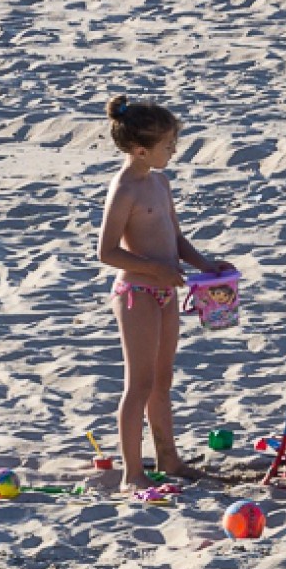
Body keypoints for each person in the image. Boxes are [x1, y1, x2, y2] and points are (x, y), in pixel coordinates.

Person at [94, 96, 234, 491]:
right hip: (136, 293)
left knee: (162, 380)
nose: (173, 151)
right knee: (138, 384)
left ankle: (168, 458)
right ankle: (132, 473)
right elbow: (107, 252)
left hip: (166, 292)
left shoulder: (160, 182)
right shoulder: (124, 189)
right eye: (168, 145)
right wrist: (157, 270)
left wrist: (205, 265)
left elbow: (175, 236)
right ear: (141, 150)